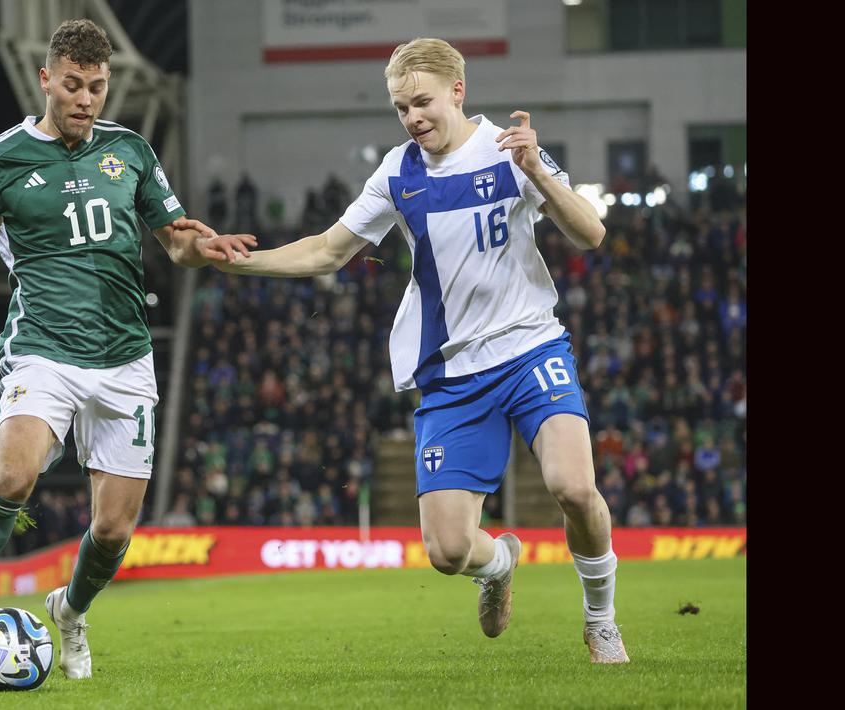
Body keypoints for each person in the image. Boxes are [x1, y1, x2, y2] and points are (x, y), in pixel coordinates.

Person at [179, 37, 627, 663]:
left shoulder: (510, 149)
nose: (413, 118)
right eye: (400, 108)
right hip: (451, 373)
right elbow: (326, 249)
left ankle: (601, 619)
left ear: (457, 92)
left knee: (573, 486)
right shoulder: (398, 172)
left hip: (530, 348)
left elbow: (592, 233)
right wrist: (234, 262)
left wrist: (538, 174)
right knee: (447, 553)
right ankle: (498, 562)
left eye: (421, 102)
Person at [0, 19, 254, 680]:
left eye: (96, 86)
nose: (86, 99)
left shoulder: (132, 153)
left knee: (115, 531)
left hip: (124, 356)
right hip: (43, 349)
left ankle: (70, 611)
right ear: (45, 78)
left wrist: (198, 248)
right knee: (14, 475)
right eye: (72, 85)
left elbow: (172, 241)